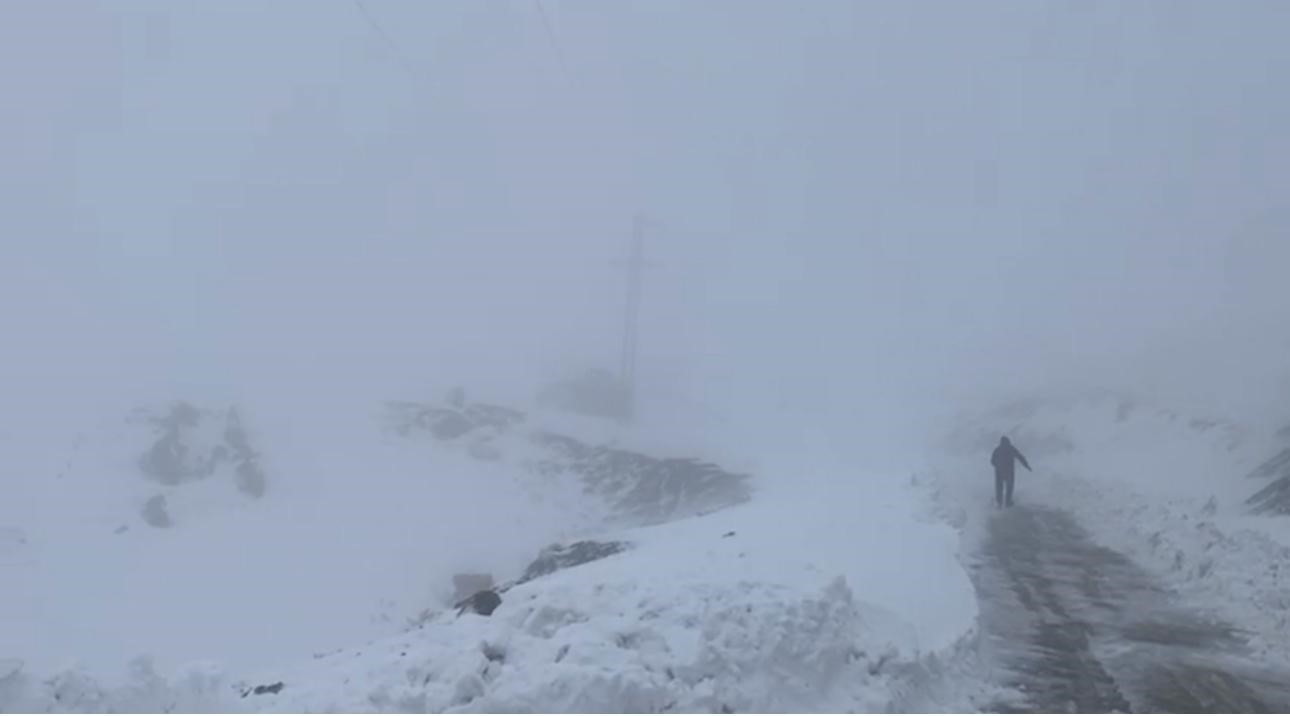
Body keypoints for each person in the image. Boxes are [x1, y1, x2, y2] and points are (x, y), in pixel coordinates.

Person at [991, 436, 1031, 508]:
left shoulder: (997, 450)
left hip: (999, 472)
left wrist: (997, 466)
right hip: (1009, 472)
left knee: (999, 488)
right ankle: (1008, 502)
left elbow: (992, 461)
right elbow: (1020, 457)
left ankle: (999, 503)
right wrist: (1027, 466)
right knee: (1009, 487)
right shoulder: (1011, 448)